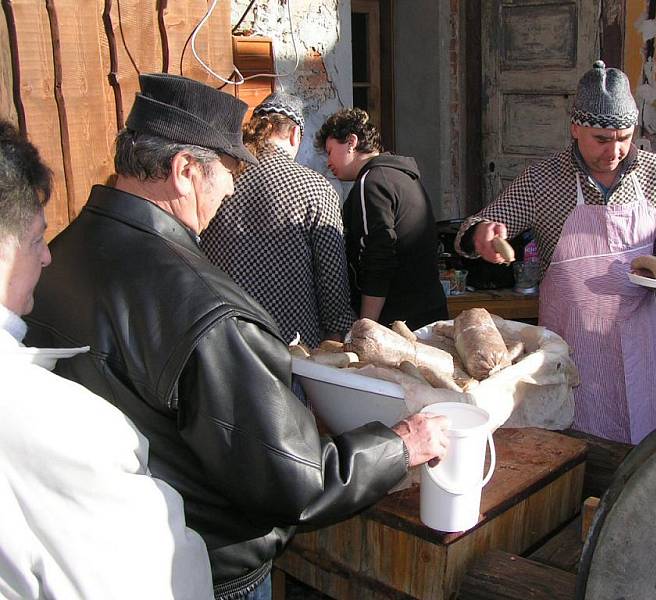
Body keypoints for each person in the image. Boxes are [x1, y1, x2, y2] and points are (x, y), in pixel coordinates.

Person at [25, 73, 449, 600]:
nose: (230, 186)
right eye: (226, 171)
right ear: (184, 171)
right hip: (203, 566)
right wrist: (398, 446)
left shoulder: (58, 254)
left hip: (93, 552)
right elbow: (292, 482)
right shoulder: (211, 313)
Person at [0, 120, 213, 599]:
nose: (48, 258)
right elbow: (150, 579)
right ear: (186, 172)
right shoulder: (67, 428)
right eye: (36, 239)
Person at [456, 61, 656, 445]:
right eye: (601, 138)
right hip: (569, 345)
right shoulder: (543, 179)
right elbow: (478, 225)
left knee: (638, 449)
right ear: (575, 128)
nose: (614, 151)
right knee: (570, 446)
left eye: (624, 136)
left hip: (637, 345)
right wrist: (483, 234)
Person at [202, 91, 354, 348]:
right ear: (295, 135)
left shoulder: (222, 178)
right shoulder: (314, 188)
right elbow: (331, 277)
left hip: (224, 339)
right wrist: (337, 332)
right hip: (292, 346)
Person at [315, 108, 448, 331]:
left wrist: (366, 327)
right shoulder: (401, 176)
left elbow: (378, 257)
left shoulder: (371, 181)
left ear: (351, 142)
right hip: (428, 312)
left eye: (329, 151)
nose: (328, 161)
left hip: (400, 323)